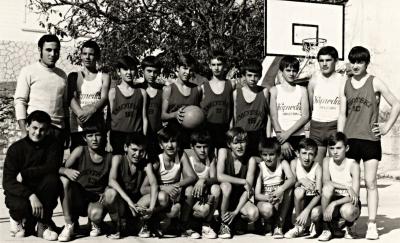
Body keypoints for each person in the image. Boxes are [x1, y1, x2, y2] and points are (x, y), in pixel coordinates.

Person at [337, 46, 400, 239]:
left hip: (370, 139)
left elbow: (397, 104)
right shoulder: (345, 84)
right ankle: (351, 223)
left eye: (360, 62)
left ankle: (372, 224)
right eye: (353, 61)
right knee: (352, 184)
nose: (355, 65)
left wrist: (386, 127)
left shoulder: (375, 82)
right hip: (350, 139)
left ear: (366, 63)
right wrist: (339, 138)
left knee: (371, 182)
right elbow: (341, 113)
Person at [3, 110, 63, 241]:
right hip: (22, 193)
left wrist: (25, 173)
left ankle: (43, 223)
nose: (38, 133)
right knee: (21, 207)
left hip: (41, 189)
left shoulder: (52, 145)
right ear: (27, 126)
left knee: (53, 180)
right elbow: (7, 182)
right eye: (35, 128)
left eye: (42, 129)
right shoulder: (15, 149)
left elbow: (52, 167)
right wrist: (30, 195)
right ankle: (18, 219)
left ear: (47, 130)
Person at [57, 121, 113, 241]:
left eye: (97, 135)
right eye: (90, 136)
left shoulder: (109, 157)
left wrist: (108, 188)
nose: (94, 139)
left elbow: (114, 179)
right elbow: (59, 168)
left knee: (95, 214)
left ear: (103, 136)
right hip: (79, 195)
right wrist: (66, 171)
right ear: (84, 138)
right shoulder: (80, 150)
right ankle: (70, 224)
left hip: (96, 198)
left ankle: (95, 223)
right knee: (64, 180)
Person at [141, 125, 198, 237]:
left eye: (173, 141)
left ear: (178, 144)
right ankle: (148, 223)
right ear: (161, 145)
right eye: (166, 142)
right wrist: (164, 188)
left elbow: (192, 177)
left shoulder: (181, 155)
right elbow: (143, 188)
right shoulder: (157, 161)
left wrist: (176, 185)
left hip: (171, 198)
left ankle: (183, 225)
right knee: (162, 196)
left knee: (188, 191)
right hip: (157, 199)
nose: (170, 145)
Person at [14, 34, 69, 148]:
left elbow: (64, 106)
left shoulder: (62, 75)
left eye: (56, 50)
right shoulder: (28, 71)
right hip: (36, 131)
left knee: (54, 165)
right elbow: (20, 101)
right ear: (40, 50)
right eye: (48, 50)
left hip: (57, 132)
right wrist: (24, 131)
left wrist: (67, 132)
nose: (52, 54)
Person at [107, 132, 165, 239]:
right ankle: (118, 224)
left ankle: (142, 222)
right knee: (110, 193)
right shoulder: (118, 159)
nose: (138, 154)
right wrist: (129, 201)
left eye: (141, 151)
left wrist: (151, 208)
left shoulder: (145, 164)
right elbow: (111, 181)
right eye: (134, 150)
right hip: (123, 203)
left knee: (161, 197)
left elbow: (153, 184)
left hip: (137, 204)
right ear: (125, 147)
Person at [217, 127, 259, 239]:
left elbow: (248, 190)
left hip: (239, 199)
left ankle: (236, 219)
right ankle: (223, 224)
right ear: (229, 144)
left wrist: (235, 212)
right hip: (223, 197)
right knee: (226, 186)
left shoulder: (251, 160)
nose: (239, 146)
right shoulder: (223, 152)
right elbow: (220, 176)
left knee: (253, 213)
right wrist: (242, 181)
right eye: (236, 143)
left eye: (242, 142)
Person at [318, 132, 361, 241]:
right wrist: (347, 187)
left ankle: (348, 226)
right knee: (327, 189)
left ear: (346, 148)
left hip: (348, 202)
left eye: (338, 148)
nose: (335, 152)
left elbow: (355, 196)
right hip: (332, 199)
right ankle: (326, 228)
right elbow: (326, 182)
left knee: (348, 211)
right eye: (332, 148)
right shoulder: (327, 161)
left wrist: (334, 203)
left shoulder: (353, 165)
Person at [69, 40, 110, 151]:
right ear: (81, 55)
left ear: (96, 56)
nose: (87, 57)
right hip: (78, 127)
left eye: (91, 54)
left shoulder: (104, 77)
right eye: (84, 54)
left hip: (96, 128)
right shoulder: (74, 76)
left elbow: (104, 98)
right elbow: (70, 98)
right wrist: (80, 114)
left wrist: (91, 110)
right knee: (77, 159)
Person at [308, 46, 345, 164]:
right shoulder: (314, 80)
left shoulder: (343, 80)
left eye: (328, 60)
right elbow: (310, 105)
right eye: (321, 60)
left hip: (335, 125)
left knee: (335, 164)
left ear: (336, 61)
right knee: (317, 165)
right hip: (316, 127)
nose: (324, 64)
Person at [270, 56, 309, 161]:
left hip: (298, 135)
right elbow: (274, 117)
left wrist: (287, 133)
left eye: (294, 70)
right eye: (288, 70)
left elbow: (305, 116)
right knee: (281, 169)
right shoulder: (274, 90)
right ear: (281, 71)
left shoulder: (302, 90)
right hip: (279, 136)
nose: (291, 73)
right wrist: (282, 139)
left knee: (297, 168)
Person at [255, 137, 295, 239]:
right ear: (261, 155)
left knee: (289, 189)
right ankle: (268, 224)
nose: (268, 158)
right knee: (268, 209)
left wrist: (281, 189)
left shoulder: (282, 163)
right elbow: (257, 195)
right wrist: (269, 197)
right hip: (265, 201)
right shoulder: (260, 167)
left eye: (271, 154)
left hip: (279, 201)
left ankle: (279, 225)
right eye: (265, 155)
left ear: (277, 154)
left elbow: (292, 179)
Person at [108, 55, 148, 154]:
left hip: (135, 136)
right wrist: (107, 141)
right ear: (118, 71)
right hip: (117, 136)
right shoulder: (113, 92)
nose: (129, 72)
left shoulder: (142, 92)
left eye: (132, 69)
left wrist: (144, 139)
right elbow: (109, 118)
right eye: (125, 69)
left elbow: (144, 118)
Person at [161, 53, 202, 148]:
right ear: (177, 68)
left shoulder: (197, 89)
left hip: (192, 136)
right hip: (174, 136)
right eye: (185, 68)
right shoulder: (169, 89)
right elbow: (163, 116)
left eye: (191, 70)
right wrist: (175, 114)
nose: (187, 72)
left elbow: (199, 113)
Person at [186, 129, 221, 239]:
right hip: (189, 199)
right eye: (199, 147)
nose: (202, 150)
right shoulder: (188, 159)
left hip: (204, 197)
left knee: (216, 188)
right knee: (190, 191)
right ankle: (188, 225)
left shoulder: (210, 159)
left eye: (205, 147)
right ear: (192, 146)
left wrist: (203, 180)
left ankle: (207, 225)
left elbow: (215, 178)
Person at [285, 138, 322, 238]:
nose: (307, 157)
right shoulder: (294, 163)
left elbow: (319, 194)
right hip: (300, 202)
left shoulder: (317, 168)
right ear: (297, 153)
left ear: (315, 155)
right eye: (304, 153)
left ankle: (315, 225)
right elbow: (291, 185)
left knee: (315, 213)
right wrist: (301, 180)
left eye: (311, 154)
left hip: (314, 203)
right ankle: (299, 226)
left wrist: (307, 211)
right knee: (298, 190)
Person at [233, 59, 269, 156]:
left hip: (259, 135)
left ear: (260, 76)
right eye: (249, 75)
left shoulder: (264, 92)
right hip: (241, 135)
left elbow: (269, 117)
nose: (252, 78)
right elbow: (234, 118)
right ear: (244, 76)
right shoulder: (236, 93)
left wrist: (268, 137)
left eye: (256, 75)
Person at [200, 50, 235, 150]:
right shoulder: (203, 87)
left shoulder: (231, 85)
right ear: (210, 66)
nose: (216, 68)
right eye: (213, 64)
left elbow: (233, 109)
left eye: (219, 64)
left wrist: (231, 126)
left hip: (225, 128)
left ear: (224, 66)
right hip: (208, 129)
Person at [141, 56, 164, 159]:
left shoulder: (163, 90)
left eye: (155, 72)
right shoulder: (137, 89)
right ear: (143, 71)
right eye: (149, 71)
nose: (152, 75)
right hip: (141, 135)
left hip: (158, 137)